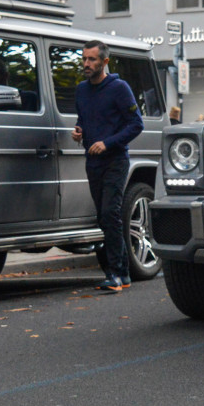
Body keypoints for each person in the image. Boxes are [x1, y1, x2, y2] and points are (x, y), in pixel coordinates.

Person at [71, 40, 143, 293]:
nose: (87, 64)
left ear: (104, 61)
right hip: (93, 161)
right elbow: (84, 119)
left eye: (92, 59)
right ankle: (122, 273)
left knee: (110, 214)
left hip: (115, 159)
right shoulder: (81, 90)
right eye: (84, 59)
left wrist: (107, 143)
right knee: (103, 217)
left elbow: (136, 124)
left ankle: (115, 273)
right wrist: (79, 133)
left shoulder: (119, 88)